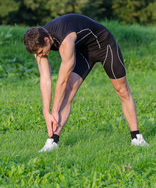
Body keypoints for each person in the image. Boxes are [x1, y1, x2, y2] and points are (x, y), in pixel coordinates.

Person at [24, 14, 148, 152]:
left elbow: (62, 80)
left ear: (47, 40)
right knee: (69, 90)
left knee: (122, 90)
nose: (40, 56)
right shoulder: (37, 42)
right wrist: (46, 112)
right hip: (84, 51)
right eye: (37, 54)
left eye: (41, 52)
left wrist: (54, 111)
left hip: (104, 44)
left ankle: (136, 137)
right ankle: (53, 141)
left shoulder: (66, 40)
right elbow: (45, 80)